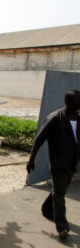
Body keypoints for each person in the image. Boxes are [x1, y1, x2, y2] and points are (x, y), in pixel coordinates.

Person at [27, 90, 80, 239]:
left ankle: (46, 209)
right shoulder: (54, 119)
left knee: (59, 190)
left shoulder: (78, 118)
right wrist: (31, 160)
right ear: (68, 103)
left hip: (72, 162)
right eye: (77, 101)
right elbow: (38, 141)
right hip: (58, 162)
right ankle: (62, 226)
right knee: (60, 193)